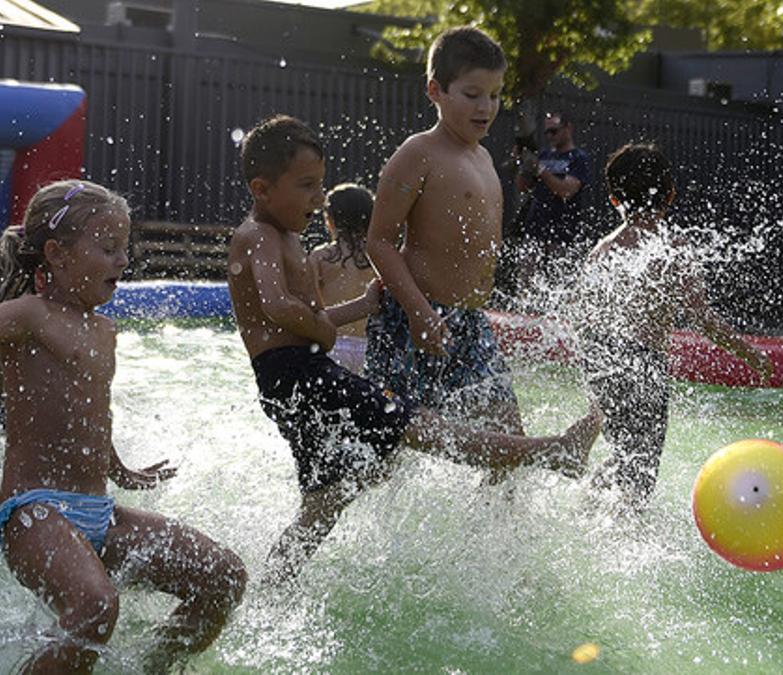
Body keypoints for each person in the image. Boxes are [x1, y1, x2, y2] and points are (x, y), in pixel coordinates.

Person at [228, 114, 600, 582]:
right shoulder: (258, 235)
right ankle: (550, 451)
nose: (317, 197)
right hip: (298, 372)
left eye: (320, 184)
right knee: (417, 424)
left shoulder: (286, 238)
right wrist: (323, 332)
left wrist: (357, 307)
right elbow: (277, 304)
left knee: (328, 498)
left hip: (295, 378)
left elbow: (298, 316)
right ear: (262, 189)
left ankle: (271, 585)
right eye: (306, 185)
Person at [0, 180, 247, 673]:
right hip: (34, 512)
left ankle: (147, 667)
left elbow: (88, 410)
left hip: (99, 511)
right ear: (57, 254)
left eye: (124, 248)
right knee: (94, 607)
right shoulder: (27, 316)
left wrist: (117, 466)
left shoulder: (104, 329)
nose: (122, 260)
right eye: (107, 248)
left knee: (222, 576)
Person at [572, 143, 773, 510]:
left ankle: (586, 505)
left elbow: (584, 321)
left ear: (614, 200)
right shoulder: (672, 247)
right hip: (643, 365)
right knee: (641, 467)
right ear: (671, 194)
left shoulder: (600, 250)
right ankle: (625, 538)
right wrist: (751, 355)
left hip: (601, 360)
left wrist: (593, 393)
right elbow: (702, 318)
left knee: (622, 453)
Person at [364, 27, 527, 453]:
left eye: (494, 95)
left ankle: (492, 522)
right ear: (436, 90)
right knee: (394, 449)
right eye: (472, 94)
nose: (486, 107)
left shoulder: (484, 157)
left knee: (509, 442)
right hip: (414, 318)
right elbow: (379, 241)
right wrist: (420, 313)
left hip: (471, 322)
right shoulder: (419, 154)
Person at [513, 111, 592, 291]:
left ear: (568, 128)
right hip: (535, 229)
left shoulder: (578, 158)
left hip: (563, 232)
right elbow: (522, 187)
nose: (550, 136)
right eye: (547, 132)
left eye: (554, 131)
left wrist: (540, 170)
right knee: (526, 286)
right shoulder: (543, 155)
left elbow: (566, 191)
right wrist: (522, 164)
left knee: (559, 286)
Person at [309, 183, 377, 373]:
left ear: (329, 220)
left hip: (333, 344)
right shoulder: (378, 256)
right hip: (369, 347)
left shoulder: (321, 257)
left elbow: (309, 305)